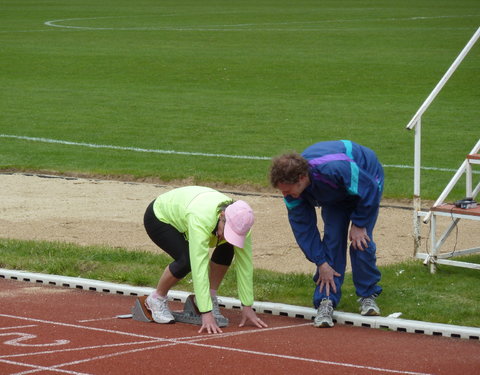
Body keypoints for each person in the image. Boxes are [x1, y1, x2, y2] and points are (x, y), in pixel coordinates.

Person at [269, 140, 384, 328]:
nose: (285, 195)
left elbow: (368, 188)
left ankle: (367, 295)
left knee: (360, 242)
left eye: (287, 190)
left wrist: (360, 223)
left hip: (366, 180)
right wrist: (320, 261)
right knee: (332, 240)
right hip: (334, 194)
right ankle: (326, 300)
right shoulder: (292, 193)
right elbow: (303, 228)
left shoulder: (334, 169)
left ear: (301, 178)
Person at [143, 185, 268, 334]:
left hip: (194, 209)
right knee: (187, 260)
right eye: (228, 231)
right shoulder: (201, 219)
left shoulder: (242, 223)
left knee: (228, 246)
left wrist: (247, 306)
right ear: (222, 216)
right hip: (161, 217)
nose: (229, 235)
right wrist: (206, 312)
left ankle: (210, 294)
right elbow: (199, 266)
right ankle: (156, 298)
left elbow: (245, 266)